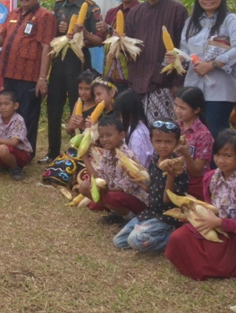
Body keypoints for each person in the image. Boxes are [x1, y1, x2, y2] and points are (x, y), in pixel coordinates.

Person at [165, 129, 236, 280]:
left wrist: (220, 223)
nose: (221, 160)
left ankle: (216, 266)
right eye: (217, 154)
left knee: (208, 260)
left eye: (227, 156)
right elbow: (208, 207)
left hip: (231, 238)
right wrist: (192, 216)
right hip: (210, 226)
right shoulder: (211, 178)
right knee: (177, 237)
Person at [0, 0, 56, 164]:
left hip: (29, 77)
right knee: (9, 114)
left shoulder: (45, 16)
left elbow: (46, 48)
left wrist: (42, 78)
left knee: (27, 116)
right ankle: (8, 152)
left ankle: (25, 156)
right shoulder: (13, 13)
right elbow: (1, 40)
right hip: (9, 74)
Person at [43, 0, 104, 164]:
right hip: (59, 60)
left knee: (78, 107)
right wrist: (60, 31)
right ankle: (52, 152)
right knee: (54, 106)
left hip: (79, 61)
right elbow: (52, 35)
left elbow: (98, 41)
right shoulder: (59, 4)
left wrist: (83, 32)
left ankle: (76, 151)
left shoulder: (91, 8)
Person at [175, 0, 236, 138]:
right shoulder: (191, 22)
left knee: (215, 135)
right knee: (192, 134)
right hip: (193, 87)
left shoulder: (230, 20)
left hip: (219, 90)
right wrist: (178, 58)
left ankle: (216, 164)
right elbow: (185, 49)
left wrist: (212, 65)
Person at [113, 119, 191, 253]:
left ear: (177, 143)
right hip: (151, 212)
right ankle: (150, 236)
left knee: (135, 240)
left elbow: (168, 200)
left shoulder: (177, 167)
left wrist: (170, 176)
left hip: (167, 216)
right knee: (119, 241)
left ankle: (171, 238)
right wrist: (135, 178)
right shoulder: (154, 162)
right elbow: (152, 189)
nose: (163, 146)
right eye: (158, 141)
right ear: (151, 140)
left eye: (168, 142)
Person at [125, 0, 189, 120]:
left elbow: (183, 48)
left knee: (161, 130)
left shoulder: (177, 10)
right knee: (138, 129)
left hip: (163, 81)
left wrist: (178, 82)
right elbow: (129, 49)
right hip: (137, 80)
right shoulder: (135, 12)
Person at [81, 115, 149, 225]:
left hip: (137, 201)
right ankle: (118, 214)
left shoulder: (128, 156)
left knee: (110, 197)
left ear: (122, 135)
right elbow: (97, 179)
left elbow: (125, 189)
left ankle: (129, 218)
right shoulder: (107, 154)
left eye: (109, 135)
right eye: (101, 136)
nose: (104, 140)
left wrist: (106, 190)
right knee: (84, 187)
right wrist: (85, 158)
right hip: (115, 195)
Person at [40, 70, 99, 190]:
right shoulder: (79, 104)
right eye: (80, 88)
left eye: (87, 89)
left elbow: (97, 138)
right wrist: (71, 126)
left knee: (74, 174)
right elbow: (68, 131)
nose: (83, 92)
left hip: (89, 150)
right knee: (52, 173)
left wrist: (83, 127)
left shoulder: (99, 109)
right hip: (74, 150)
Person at [100, 0, 142, 89]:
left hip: (129, 77)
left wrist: (109, 29)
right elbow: (102, 41)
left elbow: (141, 43)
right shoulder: (111, 12)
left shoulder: (142, 13)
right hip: (108, 75)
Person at [174, 87, 214, 199]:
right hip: (175, 178)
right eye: (176, 105)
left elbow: (197, 171)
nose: (177, 110)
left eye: (182, 108)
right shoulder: (175, 127)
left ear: (196, 110)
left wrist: (186, 154)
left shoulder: (204, 135)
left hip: (195, 184)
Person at [110, 88, 154, 169]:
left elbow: (138, 164)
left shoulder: (138, 134)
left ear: (128, 112)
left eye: (120, 113)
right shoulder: (133, 127)